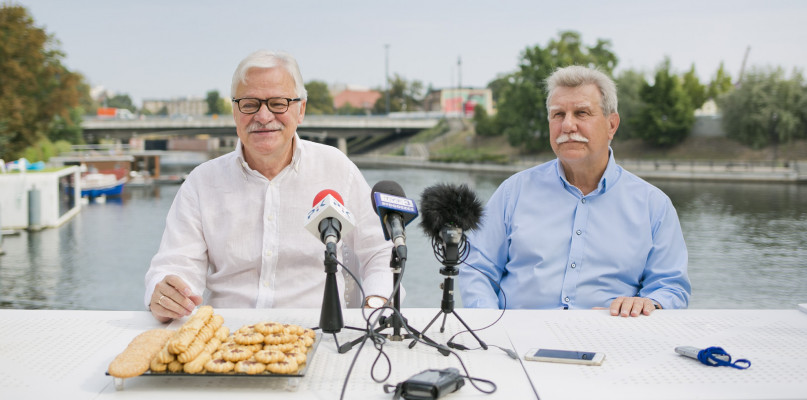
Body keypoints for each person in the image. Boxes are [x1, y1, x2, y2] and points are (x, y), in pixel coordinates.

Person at [145, 50, 393, 322]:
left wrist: (377, 302)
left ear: (301, 110)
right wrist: (167, 293)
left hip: (318, 332)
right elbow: (176, 264)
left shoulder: (337, 169)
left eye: (278, 103)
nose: (263, 116)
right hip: (227, 338)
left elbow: (380, 252)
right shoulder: (201, 183)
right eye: (249, 104)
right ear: (234, 111)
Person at [458, 65, 691, 317]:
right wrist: (491, 324)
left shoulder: (654, 206)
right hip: (516, 342)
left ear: (612, 125)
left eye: (581, 113)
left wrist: (650, 303)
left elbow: (670, 286)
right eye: (558, 114)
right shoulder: (512, 193)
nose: (568, 125)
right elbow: (478, 268)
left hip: (611, 342)